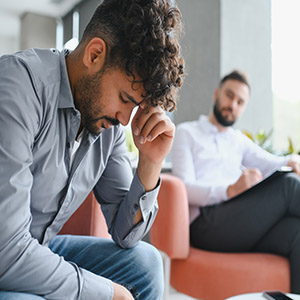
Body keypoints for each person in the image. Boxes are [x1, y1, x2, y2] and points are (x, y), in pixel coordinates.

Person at [0, 0, 185, 299]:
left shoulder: (105, 125)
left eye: (136, 106)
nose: (126, 119)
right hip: (6, 249)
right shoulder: (17, 86)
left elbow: (125, 236)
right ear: (95, 54)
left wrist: (150, 163)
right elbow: (6, 251)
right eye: (125, 98)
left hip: (35, 247)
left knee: (145, 264)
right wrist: (109, 293)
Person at [172, 70, 300, 293]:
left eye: (240, 102)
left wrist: (293, 159)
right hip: (205, 224)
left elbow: (273, 163)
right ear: (217, 94)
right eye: (229, 96)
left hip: (238, 226)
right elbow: (184, 188)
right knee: (288, 187)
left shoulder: (237, 140)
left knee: (296, 231)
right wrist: (230, 190)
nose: (233, 105)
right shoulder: (187, 133)